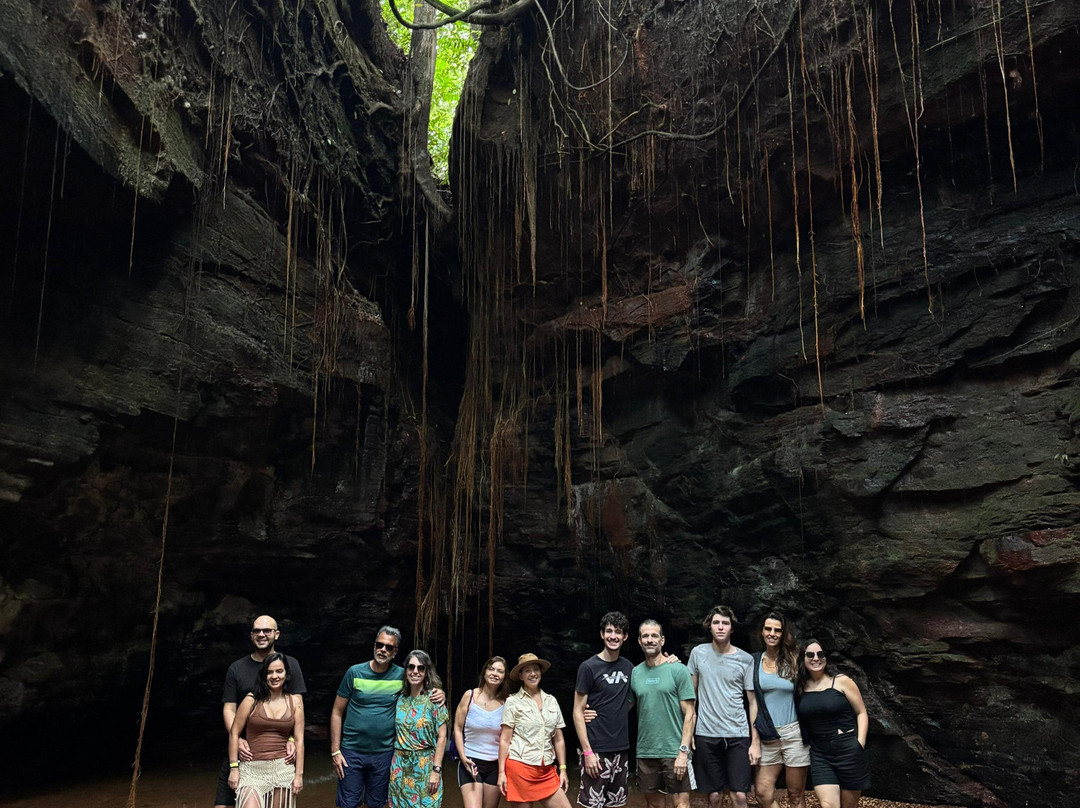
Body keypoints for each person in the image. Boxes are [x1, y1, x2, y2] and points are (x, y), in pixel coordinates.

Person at [330, 626, 446, 808]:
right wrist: (335, 751)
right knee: (348, 804)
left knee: (377, 803)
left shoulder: (402, 675)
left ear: (395, 652)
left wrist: (440, 693)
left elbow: (421, 683)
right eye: (380, 645)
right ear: (374, 645)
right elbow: (337, 712)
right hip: (351, 751)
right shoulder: (354, 672)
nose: (383, 649)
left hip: (384, 754)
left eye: (389, 647)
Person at [216, 616, 307, 808]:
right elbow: (229, 708)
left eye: (267, 630)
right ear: (251, 635)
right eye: (257, 631)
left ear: (277, 634)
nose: (262, 634)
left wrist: (290, 741)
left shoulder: (291, 664)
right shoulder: (237, 669)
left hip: (280, 760)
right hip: (246, 753)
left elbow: (297, 710)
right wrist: (238, 739)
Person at [686, 605, 761, 808]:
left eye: (725, 623)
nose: (720, 627)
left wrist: (755, 741)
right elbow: (689, 697)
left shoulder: (745, 659)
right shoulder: (697, 653)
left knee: (740, 795)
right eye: (716, 622)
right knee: (714, 796)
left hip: (737, 734)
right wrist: (689, 733)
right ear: (709, 626)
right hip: (706, 734)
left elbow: (752, 702)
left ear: (732, 628)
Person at [795, 639, 870, 808]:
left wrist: (860, 743)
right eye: (810, 654)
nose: (816, 658)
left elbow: (862, 712)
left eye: (820, 654)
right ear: (803, 658)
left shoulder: (842, 681)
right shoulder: (800, 687)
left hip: (848, 750)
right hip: (821, 753)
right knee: (829, 805)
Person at [630, 620, 696, 808]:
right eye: (645, 636)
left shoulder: (678, 670)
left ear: (662, 640)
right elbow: (624, 706)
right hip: (646, 751)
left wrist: (683, 751)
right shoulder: (635, 673)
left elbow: (690, 713)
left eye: (654, 636)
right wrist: (591, 712)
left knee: (681, 804)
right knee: (654, 805)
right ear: (639, 641)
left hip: (674, 750)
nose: (650, 640)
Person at [227, 652, 305, 808]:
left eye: (279, 671)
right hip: (253, 769)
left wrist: (299, 775)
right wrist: (234, 768)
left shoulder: (295, 702)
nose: (274, 676)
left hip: (283, 768)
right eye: (270, 672)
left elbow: (299, 740)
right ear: (264, 675)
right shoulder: (251, 700)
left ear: (286, 673)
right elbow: (234, 733)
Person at [573, 611, 633, 808]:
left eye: (618, 632)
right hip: (596, 749)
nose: (613, 636)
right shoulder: (588, 667)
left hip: (621, 748)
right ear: (602, 634)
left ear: (625, 637)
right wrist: (587, 752)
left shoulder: (629, 667)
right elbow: (577, 711)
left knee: (616, 804)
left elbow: (634, 698)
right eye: (609, 631)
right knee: (592, 804)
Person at [498, 653, 572, 808]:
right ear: (521, 676)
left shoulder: (551, 701)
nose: (532, 673)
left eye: (535, 669)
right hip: (520, 767)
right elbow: (505, 739)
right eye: (527, 670)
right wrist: (501, 773)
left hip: (546, 770)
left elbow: (558, 739)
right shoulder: (513, 702)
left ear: (540, 672)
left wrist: (563, 769)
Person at [753, 612, 809, 808]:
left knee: (795, 794)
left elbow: (818, 673)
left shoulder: (794, 659)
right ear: (762, 631)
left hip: (794, 733)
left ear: (783, 633)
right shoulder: (753, 661)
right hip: (767, 735)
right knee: (762, 793)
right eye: (768, 629)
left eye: (777, 630)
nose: (772, 633)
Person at [389, 650, 450, 808]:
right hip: (399, 765)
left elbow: (442, 737)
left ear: (426, 672)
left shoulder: (435, 699)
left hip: (425, 766)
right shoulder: (400, 698)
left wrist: (436, 770)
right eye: (411, 667)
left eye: (420, 668)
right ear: (406, 670)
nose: (415, 671)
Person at [454, 656, 509, 808]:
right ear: (484, 673)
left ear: (504, 677)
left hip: (495, 765)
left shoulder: (507, 703)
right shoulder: (470, 696)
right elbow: (457, 729)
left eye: (500, 671)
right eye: (491, 669)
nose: (494, 673)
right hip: (470, 762)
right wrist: (463, 757)